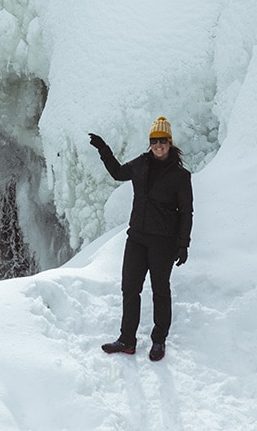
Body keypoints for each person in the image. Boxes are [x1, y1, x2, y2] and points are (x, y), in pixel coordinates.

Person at [88, 116, 192, 362]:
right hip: (136, 238)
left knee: (160, 291)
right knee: (130, 289)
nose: (158, 145)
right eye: (154, 141)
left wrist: (183, 244)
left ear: (169, 143)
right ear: (150, 143)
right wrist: (104, 149)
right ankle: (127, 340)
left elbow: (186, 212)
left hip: (163, 242)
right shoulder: (141, 164)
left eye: (163, 141)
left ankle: (158, 340)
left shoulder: (180, 175)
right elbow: (117, 173)